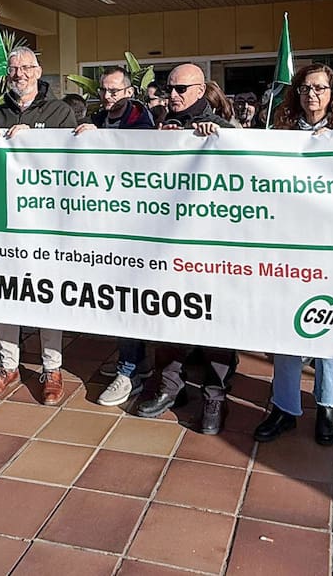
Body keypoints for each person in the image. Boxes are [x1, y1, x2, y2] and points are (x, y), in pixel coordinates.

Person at [253, 65, 333, 446]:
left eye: (320, 88)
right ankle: (285, 407)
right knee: (285, 330)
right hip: (287, 246)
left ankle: (328, 406)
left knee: (327, 327)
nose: (312, 94)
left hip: (331, 248)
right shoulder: (279, 135)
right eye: (305, 88)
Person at [136, 63, 237, 434]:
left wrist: (219, 140)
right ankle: (170, 388)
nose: (173, 95)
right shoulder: (158, 123)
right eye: (169, 88)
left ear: (200, 90)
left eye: (181, 89)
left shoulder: (222, 128)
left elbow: (247, 170)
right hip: (167, 245)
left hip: (212, 247)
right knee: (169, 318)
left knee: (215, 324)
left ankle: (214, 396)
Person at [0, 48, 77, 405]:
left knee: (46, 293)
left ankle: (51, 368)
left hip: (46, 220)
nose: (19, 74)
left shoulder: (60, 111)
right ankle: (7, 365)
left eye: (25, 68)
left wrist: (35, 139)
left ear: (39, 71)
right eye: (13, 68)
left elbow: (73, 159)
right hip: (3, 220)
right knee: (5, 291)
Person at [75, 66, 155, 406]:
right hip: (107, 222)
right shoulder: (99, 117)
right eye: (104, 92)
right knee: (119, 296)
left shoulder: (142, 119)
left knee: (131, 295)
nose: (108, 97)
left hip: (137, 226)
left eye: (115, 92)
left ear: (128, 92)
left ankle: (130, 369)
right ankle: (136, 362)